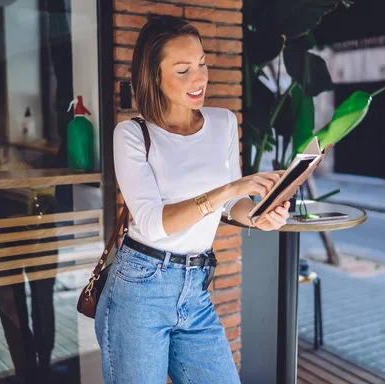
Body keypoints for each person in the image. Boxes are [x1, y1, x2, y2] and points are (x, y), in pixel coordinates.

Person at [94, 15, 291, 384]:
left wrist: (259, 215)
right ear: (154, 76)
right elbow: (153, 221)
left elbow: (233, 206)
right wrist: (229, 190)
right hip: (141, 287)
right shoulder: (131, 134)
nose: (199, 79)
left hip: (195, 288)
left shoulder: (223, 123)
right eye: (183, 70)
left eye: (201, 63)